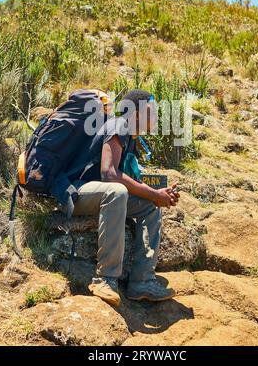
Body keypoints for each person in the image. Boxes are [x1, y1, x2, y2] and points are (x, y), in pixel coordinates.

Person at [65, 89, 180, 307]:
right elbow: (109, 174)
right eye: (152, 110)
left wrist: (158, 195)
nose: (156, 115)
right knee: (118, 191)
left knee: (150, 205)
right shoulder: (119, 126)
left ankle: (142, 281)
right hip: (75, 193)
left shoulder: (130, 137)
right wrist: (154, 193)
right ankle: (104, 279)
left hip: (98, 195)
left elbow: (130, 178)